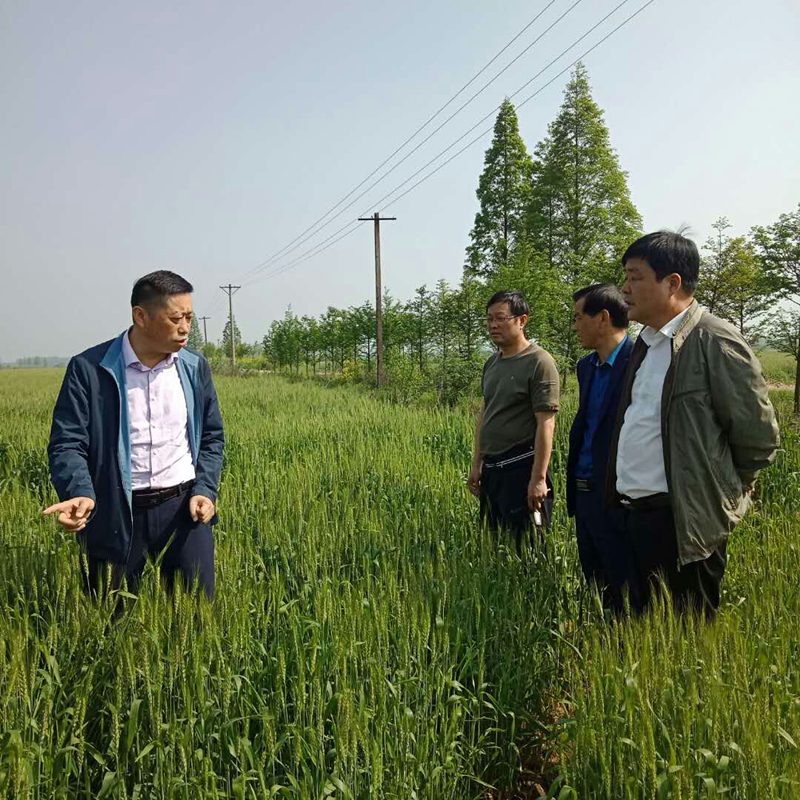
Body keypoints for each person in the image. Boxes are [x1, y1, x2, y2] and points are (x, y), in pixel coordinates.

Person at [605, 231, 780, 617]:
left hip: (685, 522)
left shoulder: (713, 340)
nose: (624, 288)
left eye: (635, 277)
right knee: (643, 633)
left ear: (672, 283)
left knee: (688, 633)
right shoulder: (646, 344)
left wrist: (724, 491)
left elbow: (757, 435)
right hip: (634, 517)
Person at [45, 271, 224, 600]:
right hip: (114, 512)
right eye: (175, 318)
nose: (185, 327)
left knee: (198, 615)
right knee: (111, 618)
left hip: (184, 510)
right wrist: (79, 491)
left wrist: (205, 489)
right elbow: (67, 443)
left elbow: (212, 436)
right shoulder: (90, 370)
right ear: (140, 316)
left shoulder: (194, 367)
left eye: (189, 317)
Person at [467, 291, 559, 551]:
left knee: (528, 548)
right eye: (489, 319)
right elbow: (486, 413)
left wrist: (538, 479)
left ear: (522, 320)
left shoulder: (539, 362)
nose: (493, 325)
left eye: (501, 318)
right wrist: (477, 463)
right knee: (495, 546)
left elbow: (546, 423)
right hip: (492, 471)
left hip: (521, 468)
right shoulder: (491, 363)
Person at [567, 284, 634, 613]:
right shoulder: (586, 367)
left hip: (620, 496)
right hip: (584, 492)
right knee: (595, 582)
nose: (575, 326)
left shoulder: (639, 362)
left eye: (579, 317)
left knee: (626, 587)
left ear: (603, 318)